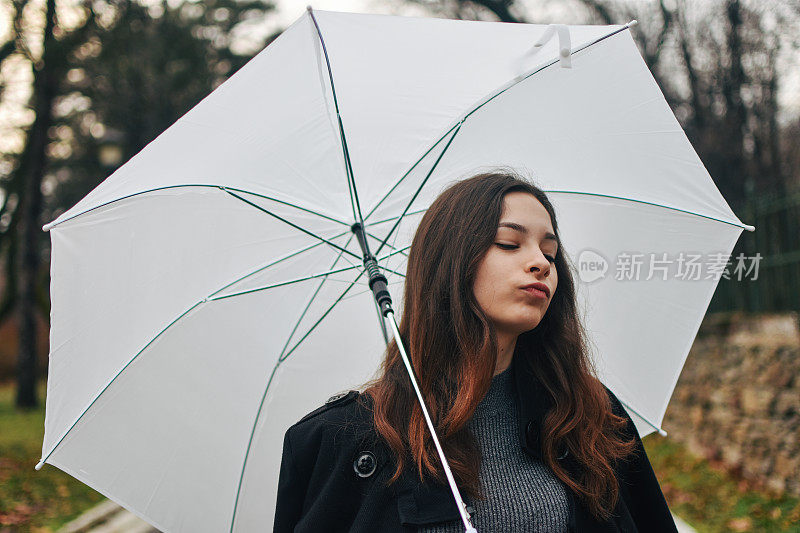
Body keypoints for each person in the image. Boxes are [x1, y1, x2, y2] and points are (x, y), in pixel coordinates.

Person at [273, 171, 678, 533]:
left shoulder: (589, 415)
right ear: (451, 262)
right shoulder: (347, 440)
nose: (540, 262)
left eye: (550, 253)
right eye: (508, 243)